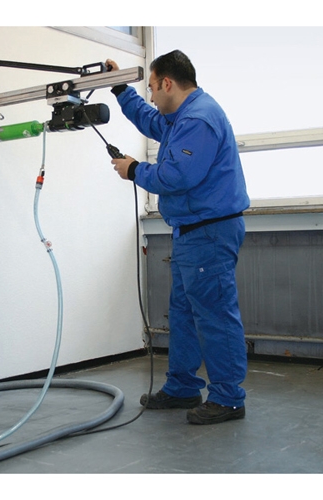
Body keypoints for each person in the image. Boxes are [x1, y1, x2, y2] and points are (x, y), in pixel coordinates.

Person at [107, 50, 250, 425]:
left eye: (152, 87)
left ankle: (228, 398)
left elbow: (177, 176)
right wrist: (120, 89)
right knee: (185, 313)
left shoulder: (199, 119)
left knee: (215, 315)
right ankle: (183, 387)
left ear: (167, 83)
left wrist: (133, 169)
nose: (152, 96)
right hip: (192, 232)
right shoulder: (180, 118)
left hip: (210, 232)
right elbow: (149, 119)